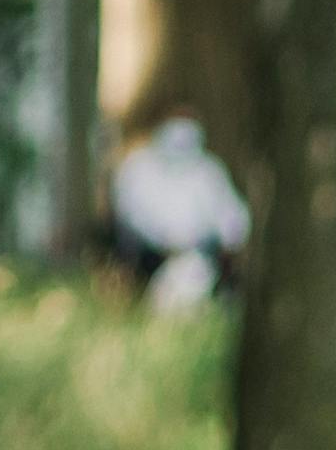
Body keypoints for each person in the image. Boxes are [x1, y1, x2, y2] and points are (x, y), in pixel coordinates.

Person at [106, 116, 250, 309]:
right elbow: (130, 214)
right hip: (148, 254)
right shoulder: (139, 167)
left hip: (201, 253)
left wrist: (230, 241)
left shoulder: (208, 170)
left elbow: (232, 217)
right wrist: (163, 241)